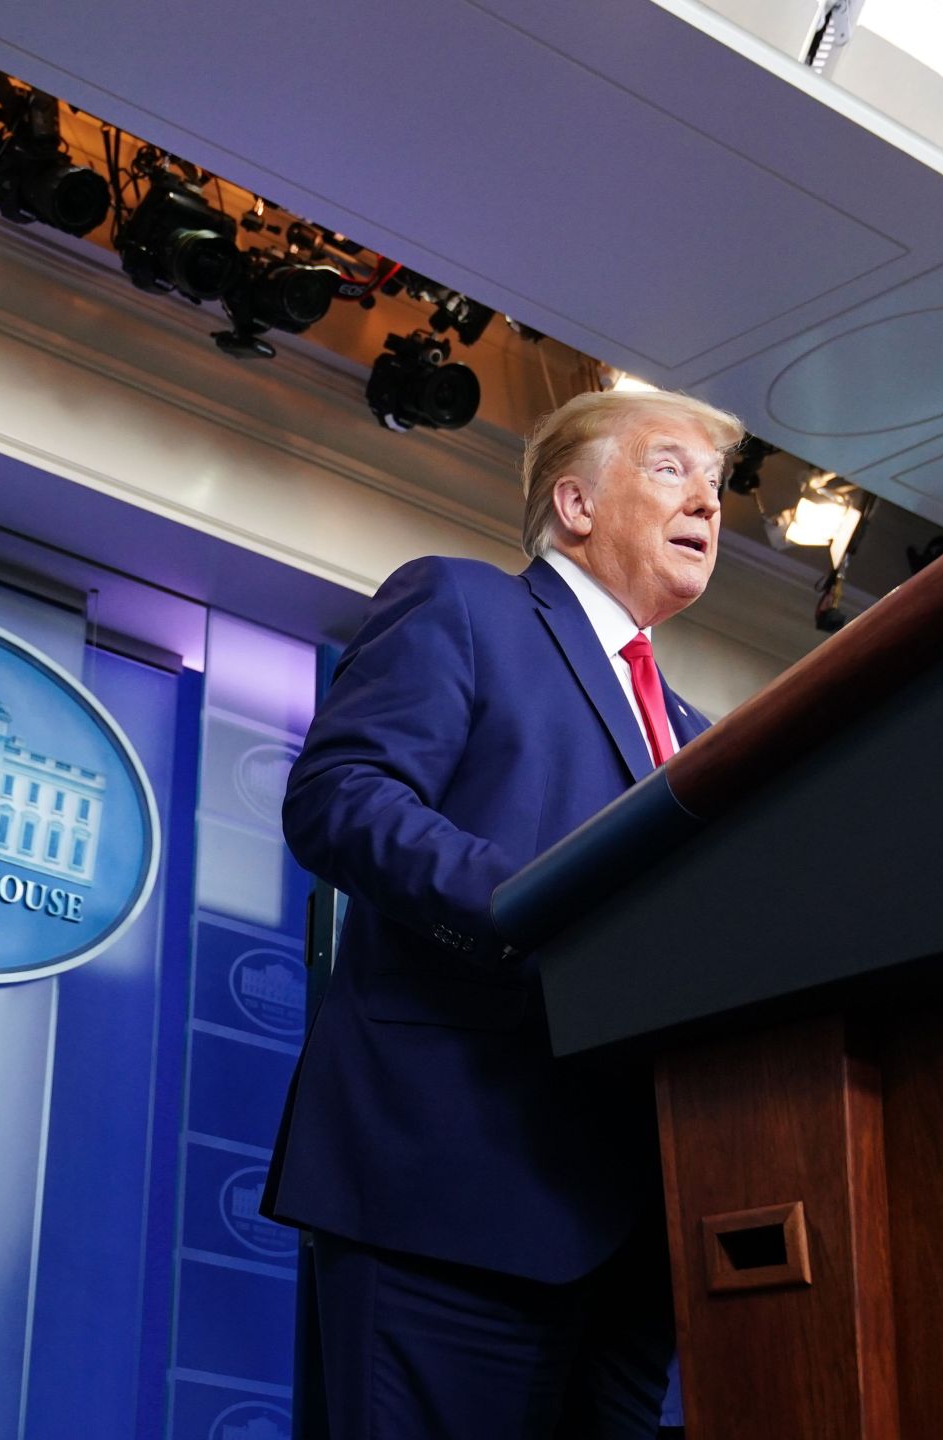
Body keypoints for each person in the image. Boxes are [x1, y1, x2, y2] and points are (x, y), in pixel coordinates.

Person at [267, 386, 742, 1438]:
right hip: (452, 1180)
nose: (707, 502)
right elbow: (342, 799)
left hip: (639, 1233)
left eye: (715, 486)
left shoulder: (705, 737)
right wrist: (545, 911)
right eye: (670, 469)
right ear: (573, 502)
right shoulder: (465, 607)